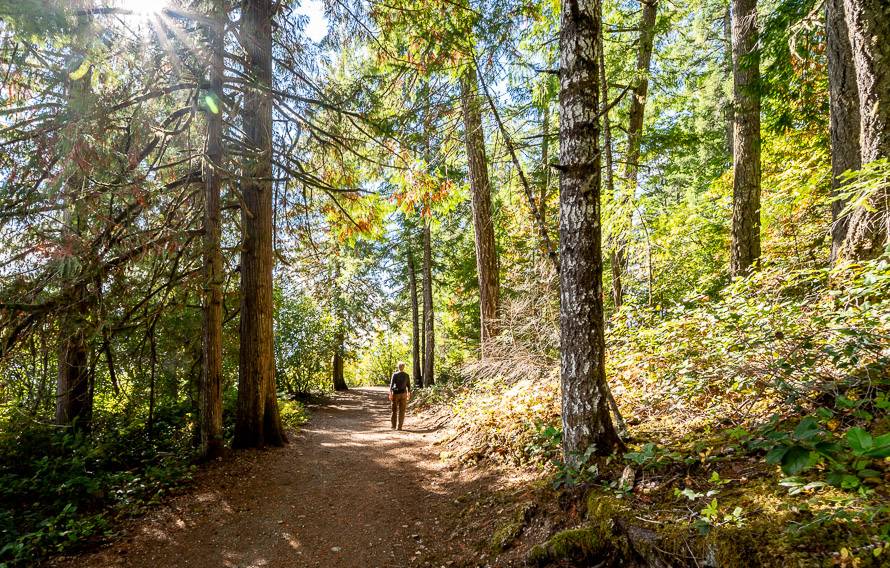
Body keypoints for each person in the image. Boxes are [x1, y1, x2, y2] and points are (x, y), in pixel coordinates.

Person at [388, 362, 411, 430]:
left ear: (398, 367)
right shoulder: (407, 375)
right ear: (403, 367)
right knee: (402, 411)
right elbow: (409, 386)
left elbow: (391, 385)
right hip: (404, 394)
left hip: (396, 394)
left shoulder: (394, 375)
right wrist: (409, 393)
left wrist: (390, 393)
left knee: (394, 410)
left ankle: (393, 426)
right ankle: (400, 427)